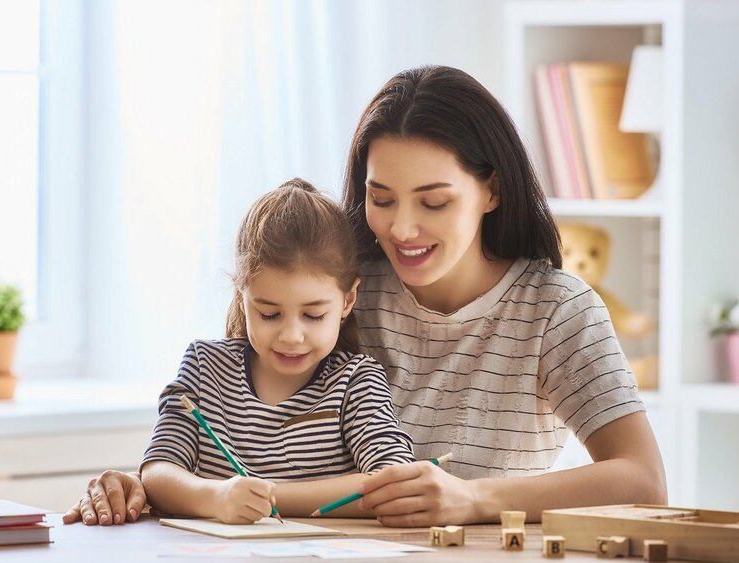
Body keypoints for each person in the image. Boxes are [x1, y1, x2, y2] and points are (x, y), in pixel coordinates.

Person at [63, 65, 666, 528]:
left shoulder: (555, 309)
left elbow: (642, 481)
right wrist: (159, 484)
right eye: (381, 199)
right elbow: (241, 424)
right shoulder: (342, 286)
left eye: (434, 202)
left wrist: (477, 497)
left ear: (491, 192)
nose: (402, 229)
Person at [97, 178, 416, 525]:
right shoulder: (205, 367)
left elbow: (394, 482)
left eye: (313, 315)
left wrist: (268, 497)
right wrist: (215, 498)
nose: (292, 336)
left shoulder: (355, 380)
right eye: (269, 314)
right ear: (241, 298)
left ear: (347, 300)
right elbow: (158, 472)